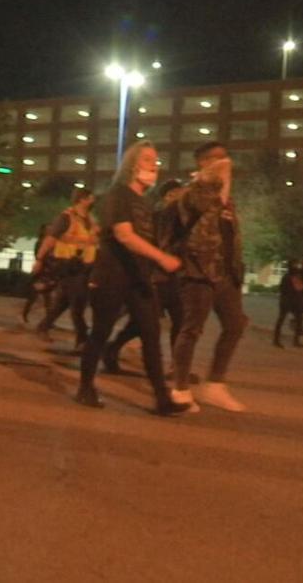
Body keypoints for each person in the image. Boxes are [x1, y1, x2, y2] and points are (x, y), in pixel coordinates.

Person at [74, 141, 189, 417]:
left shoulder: (145, 202)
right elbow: (124, 235)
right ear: (132, 164)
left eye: (156, 160)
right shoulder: (117, 195)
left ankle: (162, 398)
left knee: (151, 334)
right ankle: (85, 387)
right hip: (112, 277)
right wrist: (162, 258)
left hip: (139, 279)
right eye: (149, 159)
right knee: (100, 332)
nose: (154, 165)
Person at [167, 141, 249, 413]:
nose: (225, 164)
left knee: (235, 324)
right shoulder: (189, 192)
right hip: (198, 271)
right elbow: (197, 205)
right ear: (202, 163)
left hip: (226, 272)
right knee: (191, 329)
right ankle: (180, 387)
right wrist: (211, 180)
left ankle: (215, 384)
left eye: (226, 158)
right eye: (216, 159)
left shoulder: (227, 196)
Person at [103, 178, 186, 373]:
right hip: (156, 276)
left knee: (180, 321)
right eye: (180, 193)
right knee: (141, 324)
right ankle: (112, 348)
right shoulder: (158, 216)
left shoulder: (181, 218)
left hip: (174, 276)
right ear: (169, 196)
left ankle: (177, 367)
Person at [34, 188, 98, 352]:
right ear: (82, 199)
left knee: (64, 301)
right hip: (68, 265)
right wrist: (40, 259)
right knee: (78, 301)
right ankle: (82, 339)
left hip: (84, 266)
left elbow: (94, 241)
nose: (93, 200)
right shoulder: (66, 217)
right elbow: (50, 239)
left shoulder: (90, 219)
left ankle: (43, 326)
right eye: (91, 197)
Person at [20, 224, 54, 325]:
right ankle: (24, 314)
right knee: (34, 295)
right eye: (48, 230)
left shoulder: (49, 243)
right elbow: (39, 256)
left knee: (47, 297)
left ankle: (48, 320)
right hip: (40, 272)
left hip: (46, 271)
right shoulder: (40, 243)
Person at [274, 259, 303, 348]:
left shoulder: (290, 276)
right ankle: (278, 340)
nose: (297, 267)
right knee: (283, 319)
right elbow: (299, 288)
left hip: (291, 300)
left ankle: (290, 340)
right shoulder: (292, 277)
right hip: (289, 300)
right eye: (296, 265)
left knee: (296, 320)